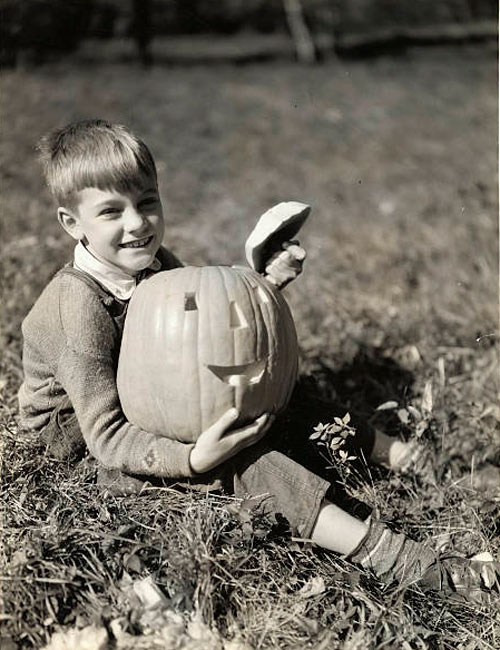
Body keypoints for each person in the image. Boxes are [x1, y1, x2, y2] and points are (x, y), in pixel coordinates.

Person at [18, 119, 498, 603]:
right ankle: (393, 557)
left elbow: (207, 324)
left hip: (153, 402)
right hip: (87, 439)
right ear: (71, 223)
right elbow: (104, 433)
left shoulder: (157, 263)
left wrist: (264, 284)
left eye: (147, 202)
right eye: (111, 211)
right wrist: (190, 459)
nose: (137, 223)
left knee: (280, 391)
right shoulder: (77, 307)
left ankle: (412, 459)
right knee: (245, 460)